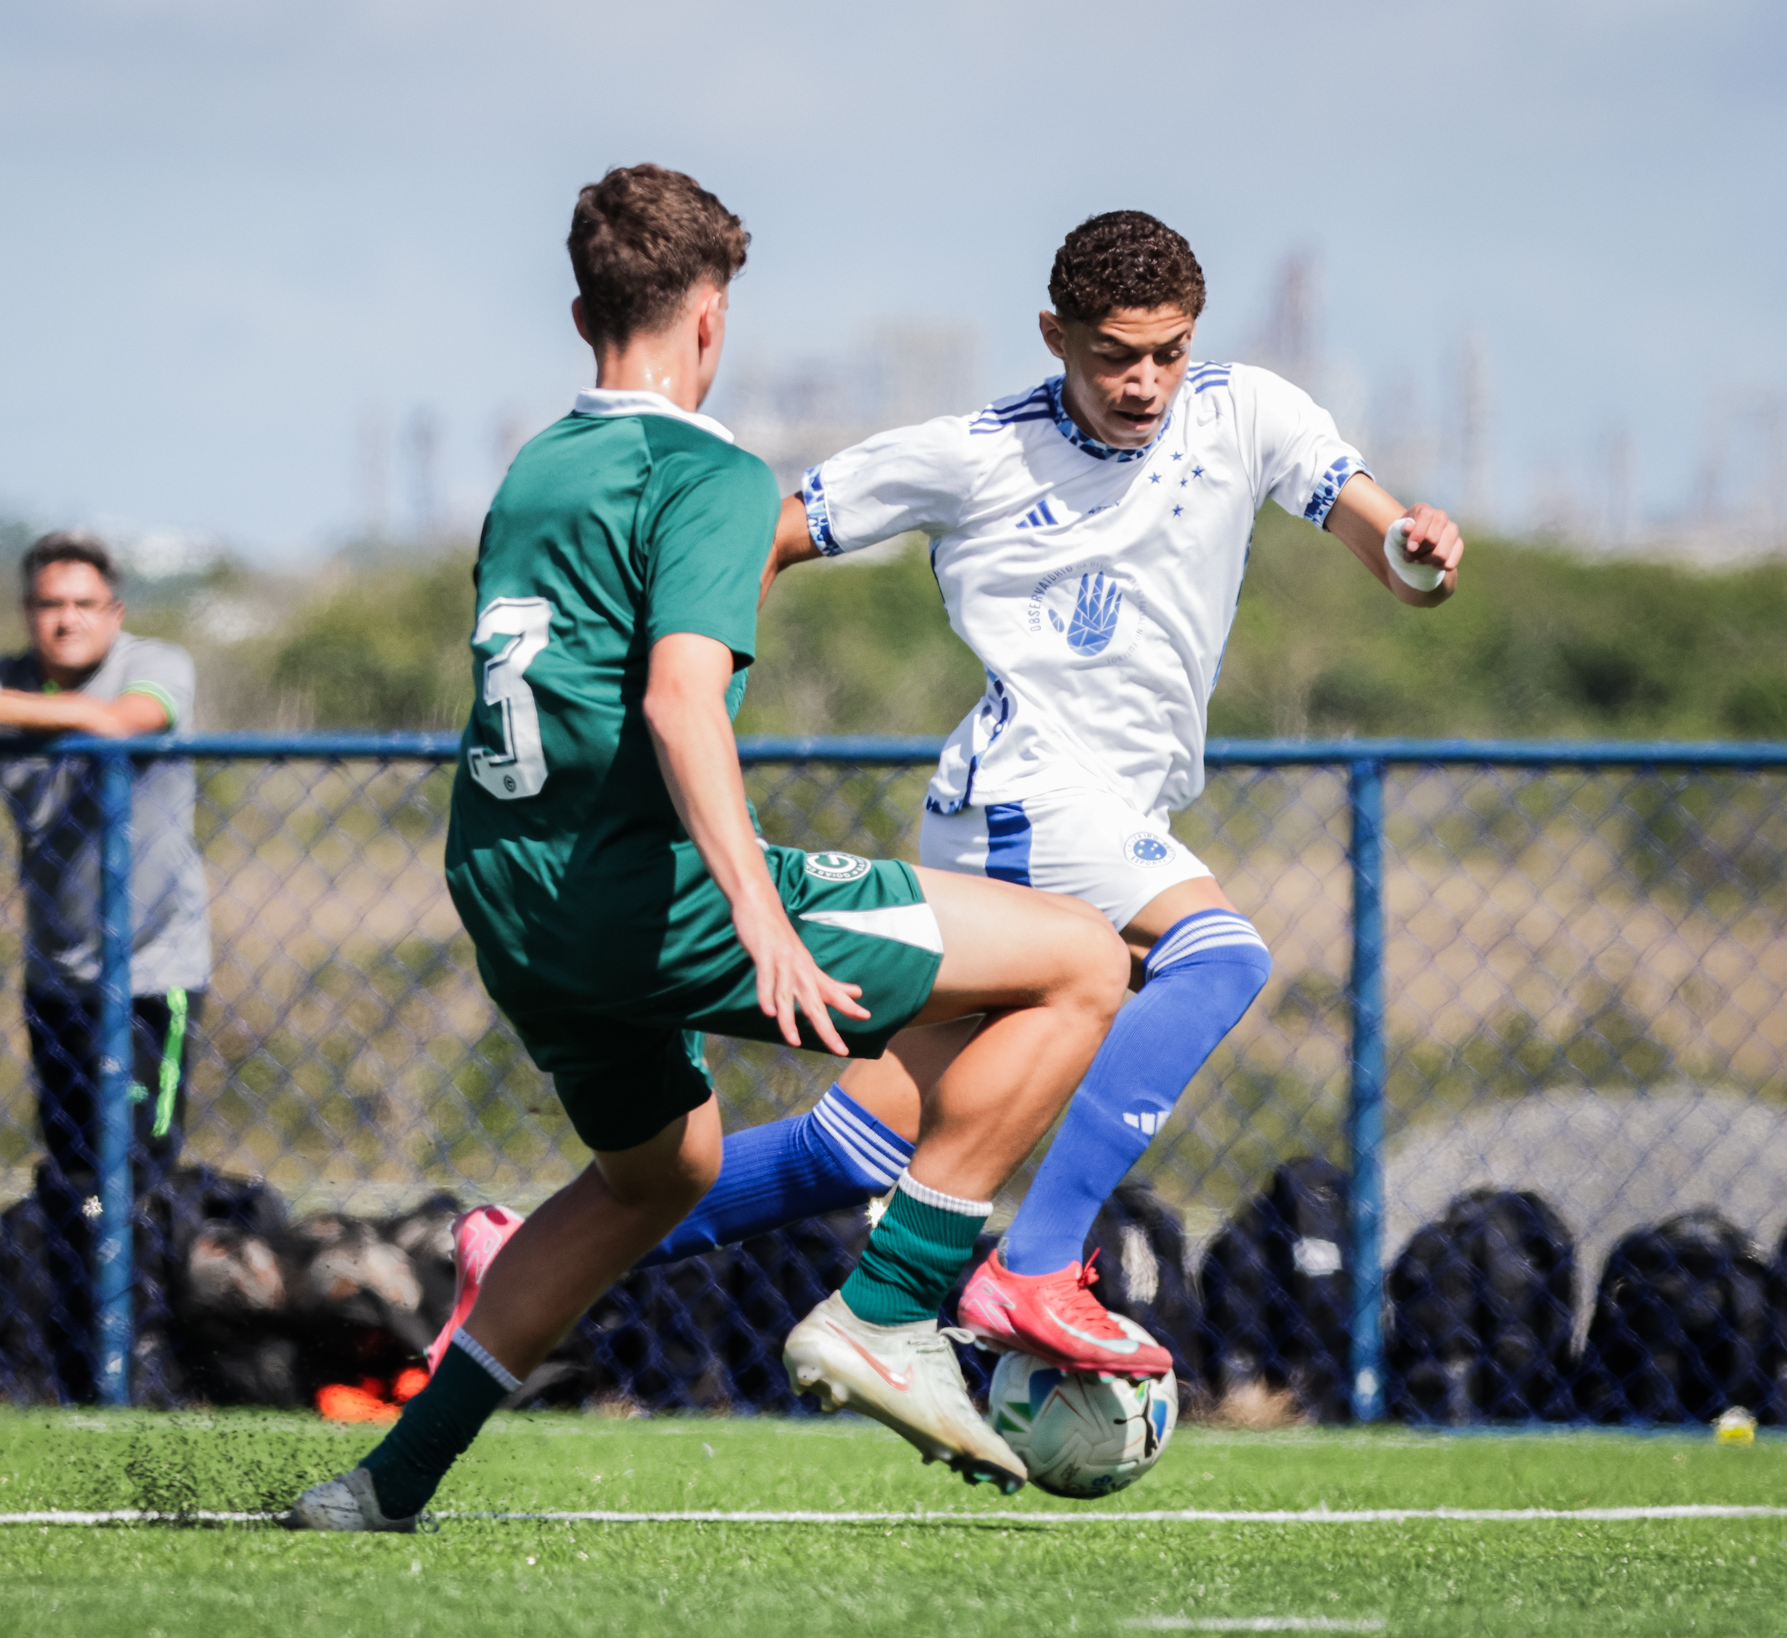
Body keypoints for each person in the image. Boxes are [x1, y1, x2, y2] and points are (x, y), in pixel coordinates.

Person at [419, 211, 1464, 1387]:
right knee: (1214, 957)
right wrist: (670, 678)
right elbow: (762, 535)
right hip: (1022, 793)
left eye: (1166, 352)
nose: (1142, 381)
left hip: (1111, 806)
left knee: (859, 1140)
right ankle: (1034, 1264)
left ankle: (514, 1254)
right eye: (1113, 353)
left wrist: (1417, 549)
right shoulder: (972, 452)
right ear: (1052, 335)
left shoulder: (1251, 412)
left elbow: (1392, 554)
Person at [285, 164, 1129, 1533]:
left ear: (581, 312)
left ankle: (385, 1481)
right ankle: (891, 1306)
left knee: (659, 1174)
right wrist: (760, 916)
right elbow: (681, 699)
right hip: (640, 888)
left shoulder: (537, 465)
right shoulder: (711, 471)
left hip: (506, 886)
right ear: (712, 317)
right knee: (1081, 961)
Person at [0, 530, 210, 1399]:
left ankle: (142, 1352)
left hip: (152, 973)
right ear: (29, 614)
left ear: (114, 612)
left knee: (136, 1169)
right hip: (56, 976)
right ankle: (77, 1353)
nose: (65, 621)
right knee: (73, 1170)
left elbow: (116, 725)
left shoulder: (156, 666)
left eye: (82, 604)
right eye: (48, 605)